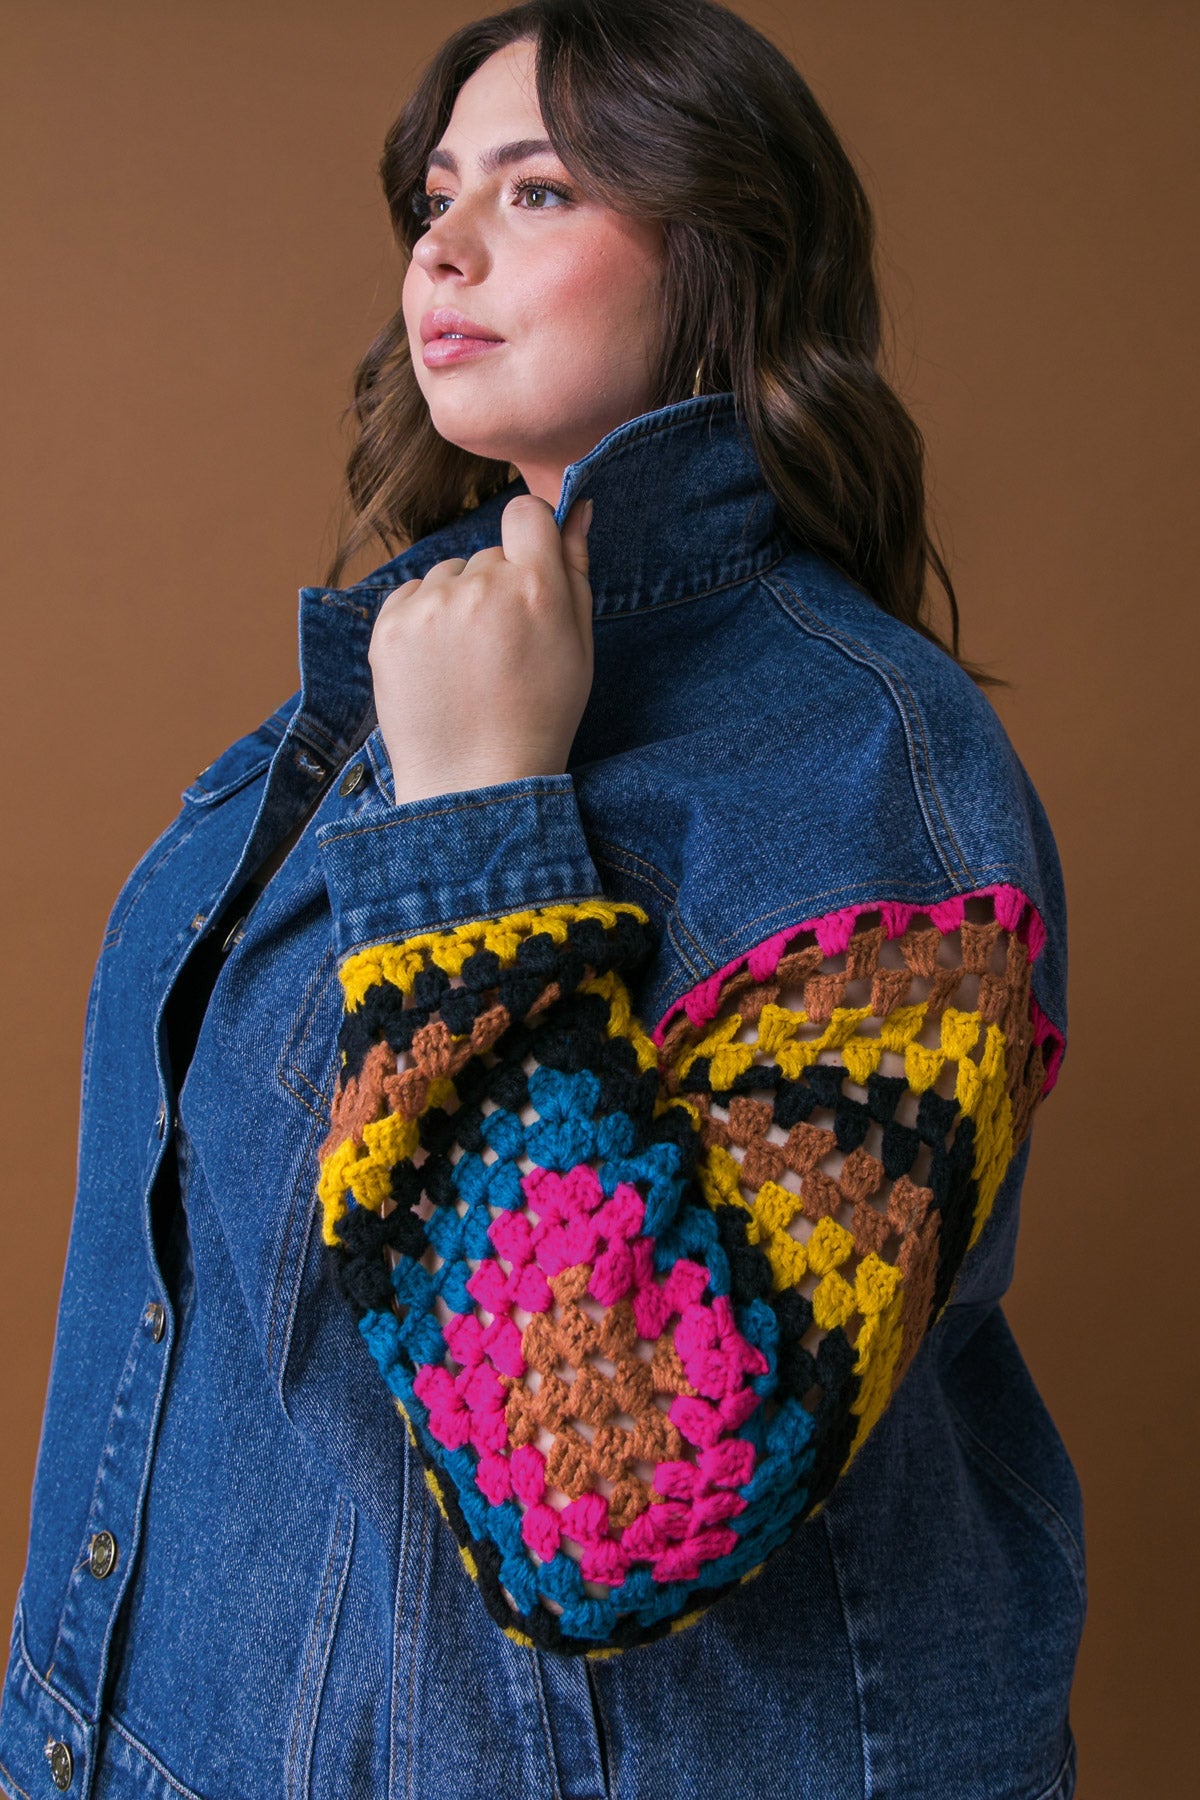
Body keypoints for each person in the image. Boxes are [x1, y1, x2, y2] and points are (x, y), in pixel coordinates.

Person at [0, 2, 1086, 1796]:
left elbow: (622, 1506)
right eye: (436, 195)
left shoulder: (872, 778)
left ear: (722, 248)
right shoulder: (415, 663)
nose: (444, 247)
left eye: (540, 189)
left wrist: (481, 827)